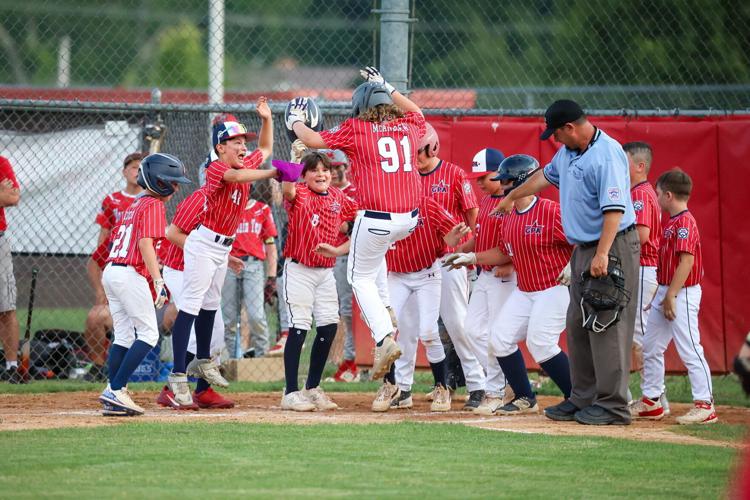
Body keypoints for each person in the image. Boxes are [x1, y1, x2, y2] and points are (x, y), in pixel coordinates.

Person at [496, 99, 639, 425]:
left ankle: (613, 405)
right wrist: (510, 197)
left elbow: (614, 210)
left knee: (606, 324)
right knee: (576, 325)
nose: (556, 141)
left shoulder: (607, 154)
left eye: (557, 134)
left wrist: (603, 253)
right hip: (583, 248)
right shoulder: (570, 153)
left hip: (611, 242)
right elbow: (543, 177)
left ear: (570, 128)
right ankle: (582, 397)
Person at [286, 66, 426, 379]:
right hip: (410, 219)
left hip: (377, 216)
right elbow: (417, 110)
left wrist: (294, 118)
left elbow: (311, 138)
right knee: (374, 255)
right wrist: (387, 86)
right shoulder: (409, 124)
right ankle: (387, 306)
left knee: (358, 277)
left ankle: (383, 338)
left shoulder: (355, 128)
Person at [168, 97, 294, 407]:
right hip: (202, 244)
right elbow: (236, 177)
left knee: (211, 308)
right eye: (233, 141)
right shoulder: (215, 167)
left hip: (222, 248)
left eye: (242, 140)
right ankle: (178, 377)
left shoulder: (244, 162)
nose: (241, 146)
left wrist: (267, 120)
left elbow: (264, 150)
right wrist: (272, 174)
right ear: (219, 147)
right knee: (192, 307)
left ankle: (201, 366)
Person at [446, 154, 573, 415]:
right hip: (526, 290)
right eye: (502, 182)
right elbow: (504, 252)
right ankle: (525, 397)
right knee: (500, 338)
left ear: (523, 181)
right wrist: (471, 256)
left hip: (553, 287)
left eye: (507, 182)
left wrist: (573, 264)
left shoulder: (549, 211)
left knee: (541, 343)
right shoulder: (510, 215)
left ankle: (576, 396)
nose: (502, 188)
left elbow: (580, 239)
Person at [98, 153, 190, 415]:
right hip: (129, 273)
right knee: (149, 334)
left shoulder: (135, 204)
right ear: (158, 180)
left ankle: (115, 393)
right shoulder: (152, 205)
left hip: (113, 271)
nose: (175, 187)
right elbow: (145, 243)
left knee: (125, 335)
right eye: (171, 182)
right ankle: (115, 390)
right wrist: (158, 280)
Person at [631, 168, 717, 424]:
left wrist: (672, 296)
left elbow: (687, 261)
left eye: (658, 193)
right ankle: (652, 401)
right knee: (650, 346)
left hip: (683, 292)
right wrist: (662, 293)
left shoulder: (685, 222)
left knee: (690, 347)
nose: (655, 197)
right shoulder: (671, 222)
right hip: (667, 290)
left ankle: (705, 405)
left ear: (668, 195)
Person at [372, 196, 470, 412]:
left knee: (428, 332)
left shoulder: (427, 204)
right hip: (397, 275)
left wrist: (454, 237)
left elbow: (451, 238)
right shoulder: (385, 204)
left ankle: (442, 388)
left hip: (428, 273)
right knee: (386, 329)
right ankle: (391, 386)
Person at [279, 151, 357, 411]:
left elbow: (352, 221)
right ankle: (290, 392)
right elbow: (287, 190)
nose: (322, 174)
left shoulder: (338, 196)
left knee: (328, 326)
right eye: (314, 170)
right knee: (299, 326)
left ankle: (312, 387)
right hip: (299, 268)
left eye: (325, 169)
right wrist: (294, 157)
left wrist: (343, 233)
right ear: (305, 175)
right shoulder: (299, 192)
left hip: (325, 271)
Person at [415, 124, 486, 402]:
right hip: (418, 261)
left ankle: (478, 384)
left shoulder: (454, 174)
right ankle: (440, 384)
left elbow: (473, 219)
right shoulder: (407, 176)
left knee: (457, 323)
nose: (415, 157)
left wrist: (470, 255)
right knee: (423, 328)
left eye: (419, 151)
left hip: (448, 259)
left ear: (433, 147)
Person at [156, 187, 236, 410]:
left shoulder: (227, 204)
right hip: (180, 270)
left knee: (217, 329)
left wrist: (227, 257)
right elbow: (173, 234)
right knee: (193, 328)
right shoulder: (199, 199)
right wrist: (204, 252)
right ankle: (172, 388)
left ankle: (203, 390)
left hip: (203, 269)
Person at [446, 148, 511, 412]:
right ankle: (503, 381)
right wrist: (459, 251)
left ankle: (498, 388)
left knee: (496, 334)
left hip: (502, 275)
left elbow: (514, 242)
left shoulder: (508, 201)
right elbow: (481, 238)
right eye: (478, 177)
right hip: (484, 274)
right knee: (471, 330)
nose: (480, 182)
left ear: (501, 173)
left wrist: (510, 263)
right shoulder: (486, 201)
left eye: (485, 176)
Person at [84, 152, 144, 381]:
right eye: (133, 167)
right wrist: (101, 291)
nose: (136, 171)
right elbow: (99, 252)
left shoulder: (150, 199)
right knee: (95, 318)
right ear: (124, 171)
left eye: (141, 168)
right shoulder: (112, 200)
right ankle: (100, 368)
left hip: (138, 271)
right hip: (116, 268)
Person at [622, 141, 669, 413]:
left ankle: (654, 397)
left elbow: (641, 236)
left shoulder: (640, 193)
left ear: (640, 166)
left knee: (640, 335)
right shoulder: (637, 191)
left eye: (625, 162)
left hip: (642, 267)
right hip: (641, 268)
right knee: (638, 335)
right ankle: (656, 396)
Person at [221, 195, 278, 358]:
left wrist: (271, 277)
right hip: (228, 265)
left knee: (256, 315)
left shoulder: (262, 209)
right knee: (229, 318)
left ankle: (262, 357)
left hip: (253, 265)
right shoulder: (226, 209)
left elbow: (270, 246)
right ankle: (234, 361)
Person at [323, 150, 361, 382]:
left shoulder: (353, 192)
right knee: (342, 313)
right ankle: (351, 360)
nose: (334, 172)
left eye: (337, 167)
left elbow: (348, 227)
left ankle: (353, 362)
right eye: (329, 168)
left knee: (349, 312)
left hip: (350, 256)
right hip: (332, 256)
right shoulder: (326, 192)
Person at [0, 156, 21, 383]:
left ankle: (11, 367)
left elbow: (13, 197)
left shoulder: (1, 163)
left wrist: (4, 195)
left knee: (6, 306)